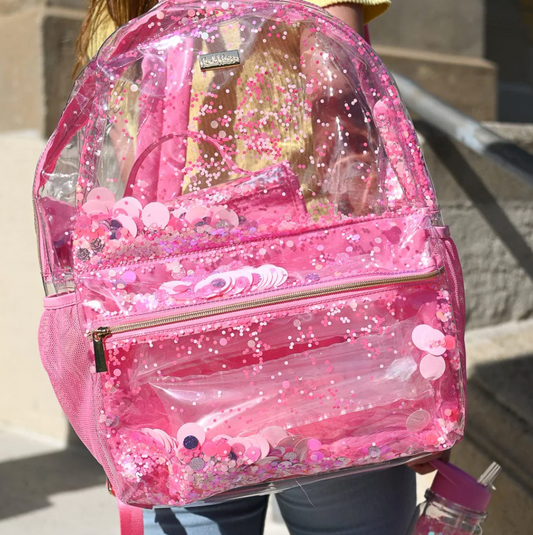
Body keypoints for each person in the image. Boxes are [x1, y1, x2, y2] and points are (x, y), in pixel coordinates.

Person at [75, 1, 450, 533]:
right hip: (324, 331)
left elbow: (133, 207)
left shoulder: (121, 13)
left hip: (182, 348)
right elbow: (353, 164)